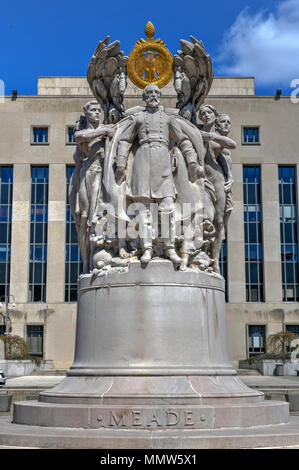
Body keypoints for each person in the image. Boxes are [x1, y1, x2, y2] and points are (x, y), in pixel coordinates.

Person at [114, 84, 201, 264]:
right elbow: (125, 140)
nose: (153, 95)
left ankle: (169, 248)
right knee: (143, 210)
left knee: (167, 208)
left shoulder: (169, 119)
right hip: (143, 161)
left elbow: (182, 140)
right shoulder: (137, 118)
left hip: (163, 161)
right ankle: (146, 248)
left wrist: (191, 160)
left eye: (156, 92)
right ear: (144, 97)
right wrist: (121, 162)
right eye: (149, 93)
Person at [69, 100, 114, 272]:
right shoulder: (85, 132)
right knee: (85, 217)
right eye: (93, 110)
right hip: (87, 174)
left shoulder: (106, 130)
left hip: (103, 176)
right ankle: (86, 261)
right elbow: (79, 137)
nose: (97, 112)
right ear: (87, 113)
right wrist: (104, 130)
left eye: (98, 110)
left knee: (99, 215)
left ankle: (101, 252)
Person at [198, 104, 236, 273]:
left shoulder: (216, 136)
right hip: (200, 181)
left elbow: (232, 145)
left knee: (219, 222)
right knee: (201, 218)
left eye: (208, 113)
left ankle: (216, 260)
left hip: (217, 180)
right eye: (202, 113)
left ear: (214, 115)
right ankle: (199, 253)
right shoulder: (195, 131)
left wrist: (230, 177)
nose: (205, 115)